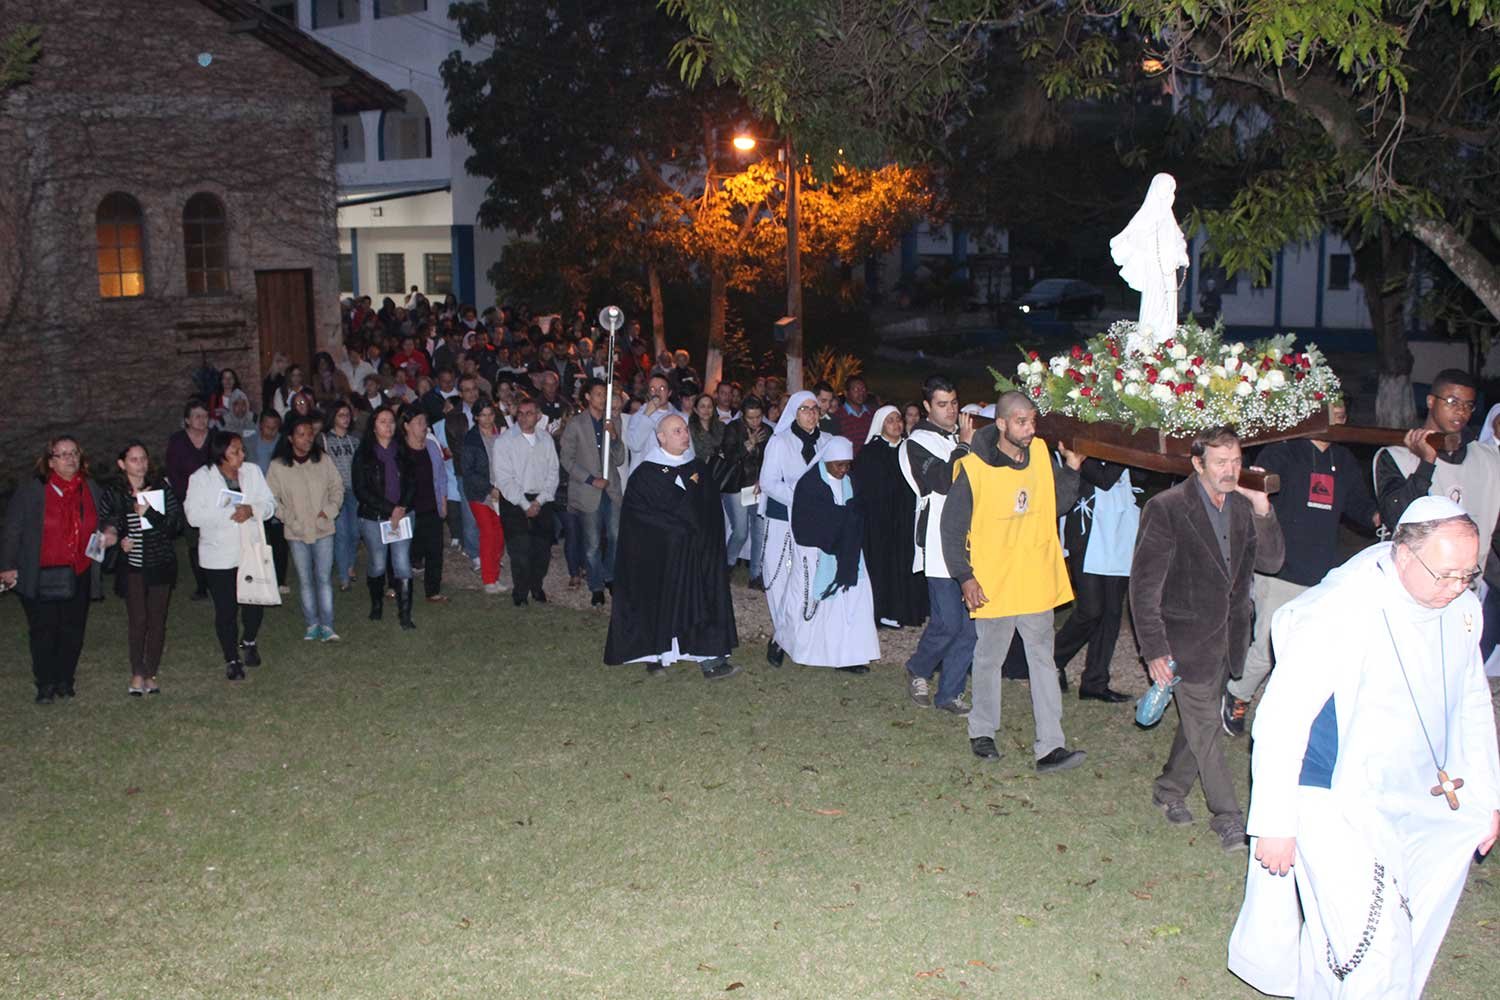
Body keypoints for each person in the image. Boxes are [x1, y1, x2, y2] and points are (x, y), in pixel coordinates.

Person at [1228, 498, 1500, 998]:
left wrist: (1486, 796)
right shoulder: (1342, 609)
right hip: (1330, 795)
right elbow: (1283, 718)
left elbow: (1471, 703)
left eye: (1468, 574)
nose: (1457, 588)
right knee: (1375, 949)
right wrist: (1274, 822)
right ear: (1402, 554)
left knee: (1351, 946)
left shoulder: (1460, 610)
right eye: (1444, 574)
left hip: (1410, 796)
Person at [1130, 426, 1285, 851]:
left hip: (1228, 640)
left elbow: (1273, 560)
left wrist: (1262, 508)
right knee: (1207, 727)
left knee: (1196, 727)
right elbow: (1144, 587)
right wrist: (1155, 649)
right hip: (1184, 640)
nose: (1230, 470)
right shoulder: (1166, 508)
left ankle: (1168, 789)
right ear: (1197, 464)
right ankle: (1228, 816)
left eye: (1236, 461)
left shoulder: (1242, 507)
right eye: (1220, 462)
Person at [941, 391, 1088, 773]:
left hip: (1034, 577)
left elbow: (1055, 504)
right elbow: (952, 527)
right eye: (1021, 421)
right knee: (990, 659)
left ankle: (1051, 746)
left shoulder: (1039, 453)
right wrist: (965, 576)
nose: (1029, 428)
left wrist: (1071, 470)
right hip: (994, 582)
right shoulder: (974, 468)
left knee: (1042, 659)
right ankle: (982, 730)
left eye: (1033, 420)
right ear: (1002, 424)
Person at [1218, 405, 1381, 734]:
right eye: (1327, 412)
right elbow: (1254, 498)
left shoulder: (1344, 461)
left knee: (1309, 651)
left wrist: (1378, 517)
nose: (1335, 419)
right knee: (1267, 649)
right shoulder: (1283, 451)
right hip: (1279, 569)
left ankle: (1292, 712)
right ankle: (1237, 694)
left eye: (1340, 413)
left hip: (1321, 573)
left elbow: (1359, 507)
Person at [605, 413, 740, 680]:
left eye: (685, 430)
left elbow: (711, 511)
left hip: (696, 555)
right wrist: (673, 529)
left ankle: (708, 659)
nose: (685, 435)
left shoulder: (699, 469)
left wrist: (707, 539)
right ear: (661, 437)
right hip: (662, 556)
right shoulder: (645, 474)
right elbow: (638, 517)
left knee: (701, 600)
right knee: (659, 602)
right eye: (677, 431)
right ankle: (656, 655)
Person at [1, 436, 112, 703]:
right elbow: (12, 529)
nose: (70, 458)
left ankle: (65, 679)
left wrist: (110, 531)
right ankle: (45, 683)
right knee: (44, 630)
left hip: (78, 571)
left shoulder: (90, 487)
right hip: (41, 573)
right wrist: (6, 566)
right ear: (50, 461)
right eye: (62, 454)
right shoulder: (33, 491)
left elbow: (107, 515)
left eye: (73, 453)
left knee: (73, 630)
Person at [900, 375, 978, 715]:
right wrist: (964, 446)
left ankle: (950, 692)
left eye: (955, 403)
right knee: (948, 621)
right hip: (938, 542)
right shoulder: (917, 443)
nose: (951, 411)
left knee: (972, 624)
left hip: (973, 539)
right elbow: (941, 481)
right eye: (943, 405)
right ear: (928, 407)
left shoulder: (966, 439)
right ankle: (919, 667)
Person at [783, 436, 881, 672]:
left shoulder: (851, 480)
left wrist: (848, 518)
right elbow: (808, 524)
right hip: (818, 555)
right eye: (839, 465)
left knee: (854, 605)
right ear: (826, 461)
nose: (843, 470)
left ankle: (850, 656)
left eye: (848, 464)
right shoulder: (810, 485)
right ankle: (794, 646)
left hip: (849, 556)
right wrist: (845, 518)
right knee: (816, 607)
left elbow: (860, 509)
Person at [184, 431, 276, 680]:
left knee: (254, 602)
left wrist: (251, 509)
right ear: (220, 455)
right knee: (226, 609)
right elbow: (193, 515)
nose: (241, 455)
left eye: (241, 450)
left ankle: (249, 641)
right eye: (235, 451)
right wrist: (227, 512)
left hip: (250, 548)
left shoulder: (253, 472)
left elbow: (269, 505)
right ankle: (231, 658)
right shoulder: (201, 478)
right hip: (219, 554)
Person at [98, 441, 184, 696]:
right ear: (122, 464)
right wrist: (118, 539)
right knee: (138, 619)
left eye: (143, 458)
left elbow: (175, 525)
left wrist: (151, 513)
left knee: (157, 620)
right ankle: (137, 671)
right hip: (133, 566)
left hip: (160, 563)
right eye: (134, 459)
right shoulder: (115, 492)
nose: (140, 464)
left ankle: (151, 672)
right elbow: (108, 522)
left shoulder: (161, 488)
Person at [1051, 460, 1139, 703]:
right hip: (1088, 530)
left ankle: (1095, 681)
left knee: (1111, 612)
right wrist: (1125, 448)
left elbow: (1142, 477)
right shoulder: (1081, 440)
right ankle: (1052, 660)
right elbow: (1103, 478)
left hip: (1120, 529)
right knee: (1091, 609)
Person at [760, 390, 830, 667]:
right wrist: (801, 499)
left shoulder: (826, 442)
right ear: (794, 412)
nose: (811, 414)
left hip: (816, 520)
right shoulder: (780, 442)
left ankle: (806, 635)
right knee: (782, 580)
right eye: (804, 409)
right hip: (783, 518)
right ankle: (780, 638)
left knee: (810, 579)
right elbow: (768, 482)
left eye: (814, 409)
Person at [267, 415, 345, 642]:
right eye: (301, 434)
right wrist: (290, 519)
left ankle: (328, 625)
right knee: (305, 579)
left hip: (323, 528)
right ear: (290, 438)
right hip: (296, 531)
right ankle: (312, 623)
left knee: (323, 578)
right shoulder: (278, 466)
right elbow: (271, 500)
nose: (307, 439)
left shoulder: (323, 459)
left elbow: (337, 487)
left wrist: (329, 511)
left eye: (310, 434)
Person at [852, 404, 926, 629]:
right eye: (890, 420)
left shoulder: (908, 449)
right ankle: (882, 611)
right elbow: (864, 489)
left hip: (905, 519)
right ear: (881, 425)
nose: (896, 424)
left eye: (898, 419)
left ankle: (904, 611)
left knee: (905, 563)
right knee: (882, 565)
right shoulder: (870, 452)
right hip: (879, 521)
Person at [560, 379, 625, 607]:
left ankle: (610, 575)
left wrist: (615, 437)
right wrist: (590, 479)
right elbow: (566, 460)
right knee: (592, 543)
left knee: (616, 537)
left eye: (604, 394)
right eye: (598, 394)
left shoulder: (613, 421)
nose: (602, 398)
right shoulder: (576, 424)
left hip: (612, 491)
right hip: (588, 492)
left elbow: (619, 459)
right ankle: (596, 585)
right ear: (587, 397)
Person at [490, 397, 560, 606]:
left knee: (541, 550)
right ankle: (520, 592)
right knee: (519, 550)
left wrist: (539, 501)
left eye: (528, 413)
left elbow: (553, 472)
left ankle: (536, 586)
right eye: (520, 413)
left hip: (541, 499)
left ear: (538, 416)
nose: (523, 417)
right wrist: (525, 504)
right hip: (514, 501)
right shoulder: (504, 441)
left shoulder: (546, 439)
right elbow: (504, 478)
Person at [352, 407, 418, 629]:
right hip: (374, 517)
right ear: (374, 426)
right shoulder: (364, 455)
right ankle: (376, 604)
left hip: (403, 515)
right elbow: (361, 490)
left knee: (402, 562)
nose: (388, 425)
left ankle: (405, 615)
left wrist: (401, 508)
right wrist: (389, 509)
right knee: (378, 564)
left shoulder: (403, 451)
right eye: (383, 421)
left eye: (391, 421)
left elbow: (411, 482)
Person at [1109, 172, 1189, 354]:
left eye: (1171, 188)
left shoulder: (1169, 218)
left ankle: (1166, 340)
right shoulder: (1146, 215)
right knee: (1154, 303)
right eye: (1166, 187)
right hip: (1153, 269)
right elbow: (1131, 236)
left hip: (1168, 271)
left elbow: (1178, 239)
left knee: (1169, 306)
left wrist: (1181, 254)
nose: (1168, 191)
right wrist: (1146, 242)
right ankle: (1149, 339)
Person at [398, 404, 449, 606]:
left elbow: (441, 476)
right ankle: (397, 587)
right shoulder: (400, 450)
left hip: (431, 507)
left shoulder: (431, 446)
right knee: (404, 552)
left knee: (435, 551)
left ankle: (433, 591)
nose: (424, 426)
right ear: (407, 426)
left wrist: (443, 502)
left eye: (424, 422)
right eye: (418, 422)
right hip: (406, 511)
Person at [719, 396, 771, 586]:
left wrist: (763, 479)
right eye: (751, 418)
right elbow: (729, 457)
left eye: (758, 417)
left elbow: (770, 460)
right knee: (740, 531)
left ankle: (755, 575)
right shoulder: (733, 429)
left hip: (756, 487)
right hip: (737, 486)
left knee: (758, 532)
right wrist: (748, 445)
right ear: (742, 416)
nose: (756, 421)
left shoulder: (768, 431)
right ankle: (728, 564)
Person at [166, 398, 213, 601]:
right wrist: (185, 498)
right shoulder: (177, 441)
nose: (202, 420)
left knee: (215, 541)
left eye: (205, 416)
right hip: (188, 501)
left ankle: (218, 580)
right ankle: (201, 585)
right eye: (197, 416)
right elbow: (173, 471)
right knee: (194, 543)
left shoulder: (215, 438)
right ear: (187, 420)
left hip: (214, 500)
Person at [462, 397, 509, 594]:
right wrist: (489, 488)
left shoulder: (502, 434)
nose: (488, 419)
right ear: (476, 417)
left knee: (499, 534)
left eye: (490, 414)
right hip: (480, 493)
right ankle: (489, 579)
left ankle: (495, 575)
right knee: (488, 533)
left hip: (501, 490)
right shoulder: (471, 439)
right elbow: (468, 471)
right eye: (483, 415)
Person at [321, 400, 362, 591]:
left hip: (354, 491)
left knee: (355, 532)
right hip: (335, 493)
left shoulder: (355, 440)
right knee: (342, 533)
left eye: (347, 415)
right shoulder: (324, 441)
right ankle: (344, 576)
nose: (345, 419)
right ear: (333, 418)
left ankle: (350, 565)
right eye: (341, 415)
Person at [624, 374, 676, 482]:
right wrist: (647, 414)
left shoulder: (679, 417)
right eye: (652, 389)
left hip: (670, 479)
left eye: (662, 388)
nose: (657, 392)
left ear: (669, 392)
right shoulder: (638, 416)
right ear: (648, 393)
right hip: (643, 480)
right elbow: (634, 445)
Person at [833, 376, 875, 453]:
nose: (861, 393)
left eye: (863, 389)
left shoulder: (873, 415)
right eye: (856, 390)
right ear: (846, 393)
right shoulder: (838, 416)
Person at [688, 393, 725, 468]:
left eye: (709, 406)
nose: (706, 410)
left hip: (720, 468)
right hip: (699, 468)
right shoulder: (690, 429)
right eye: (702, 406)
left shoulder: (722, 427)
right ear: (695, 410)